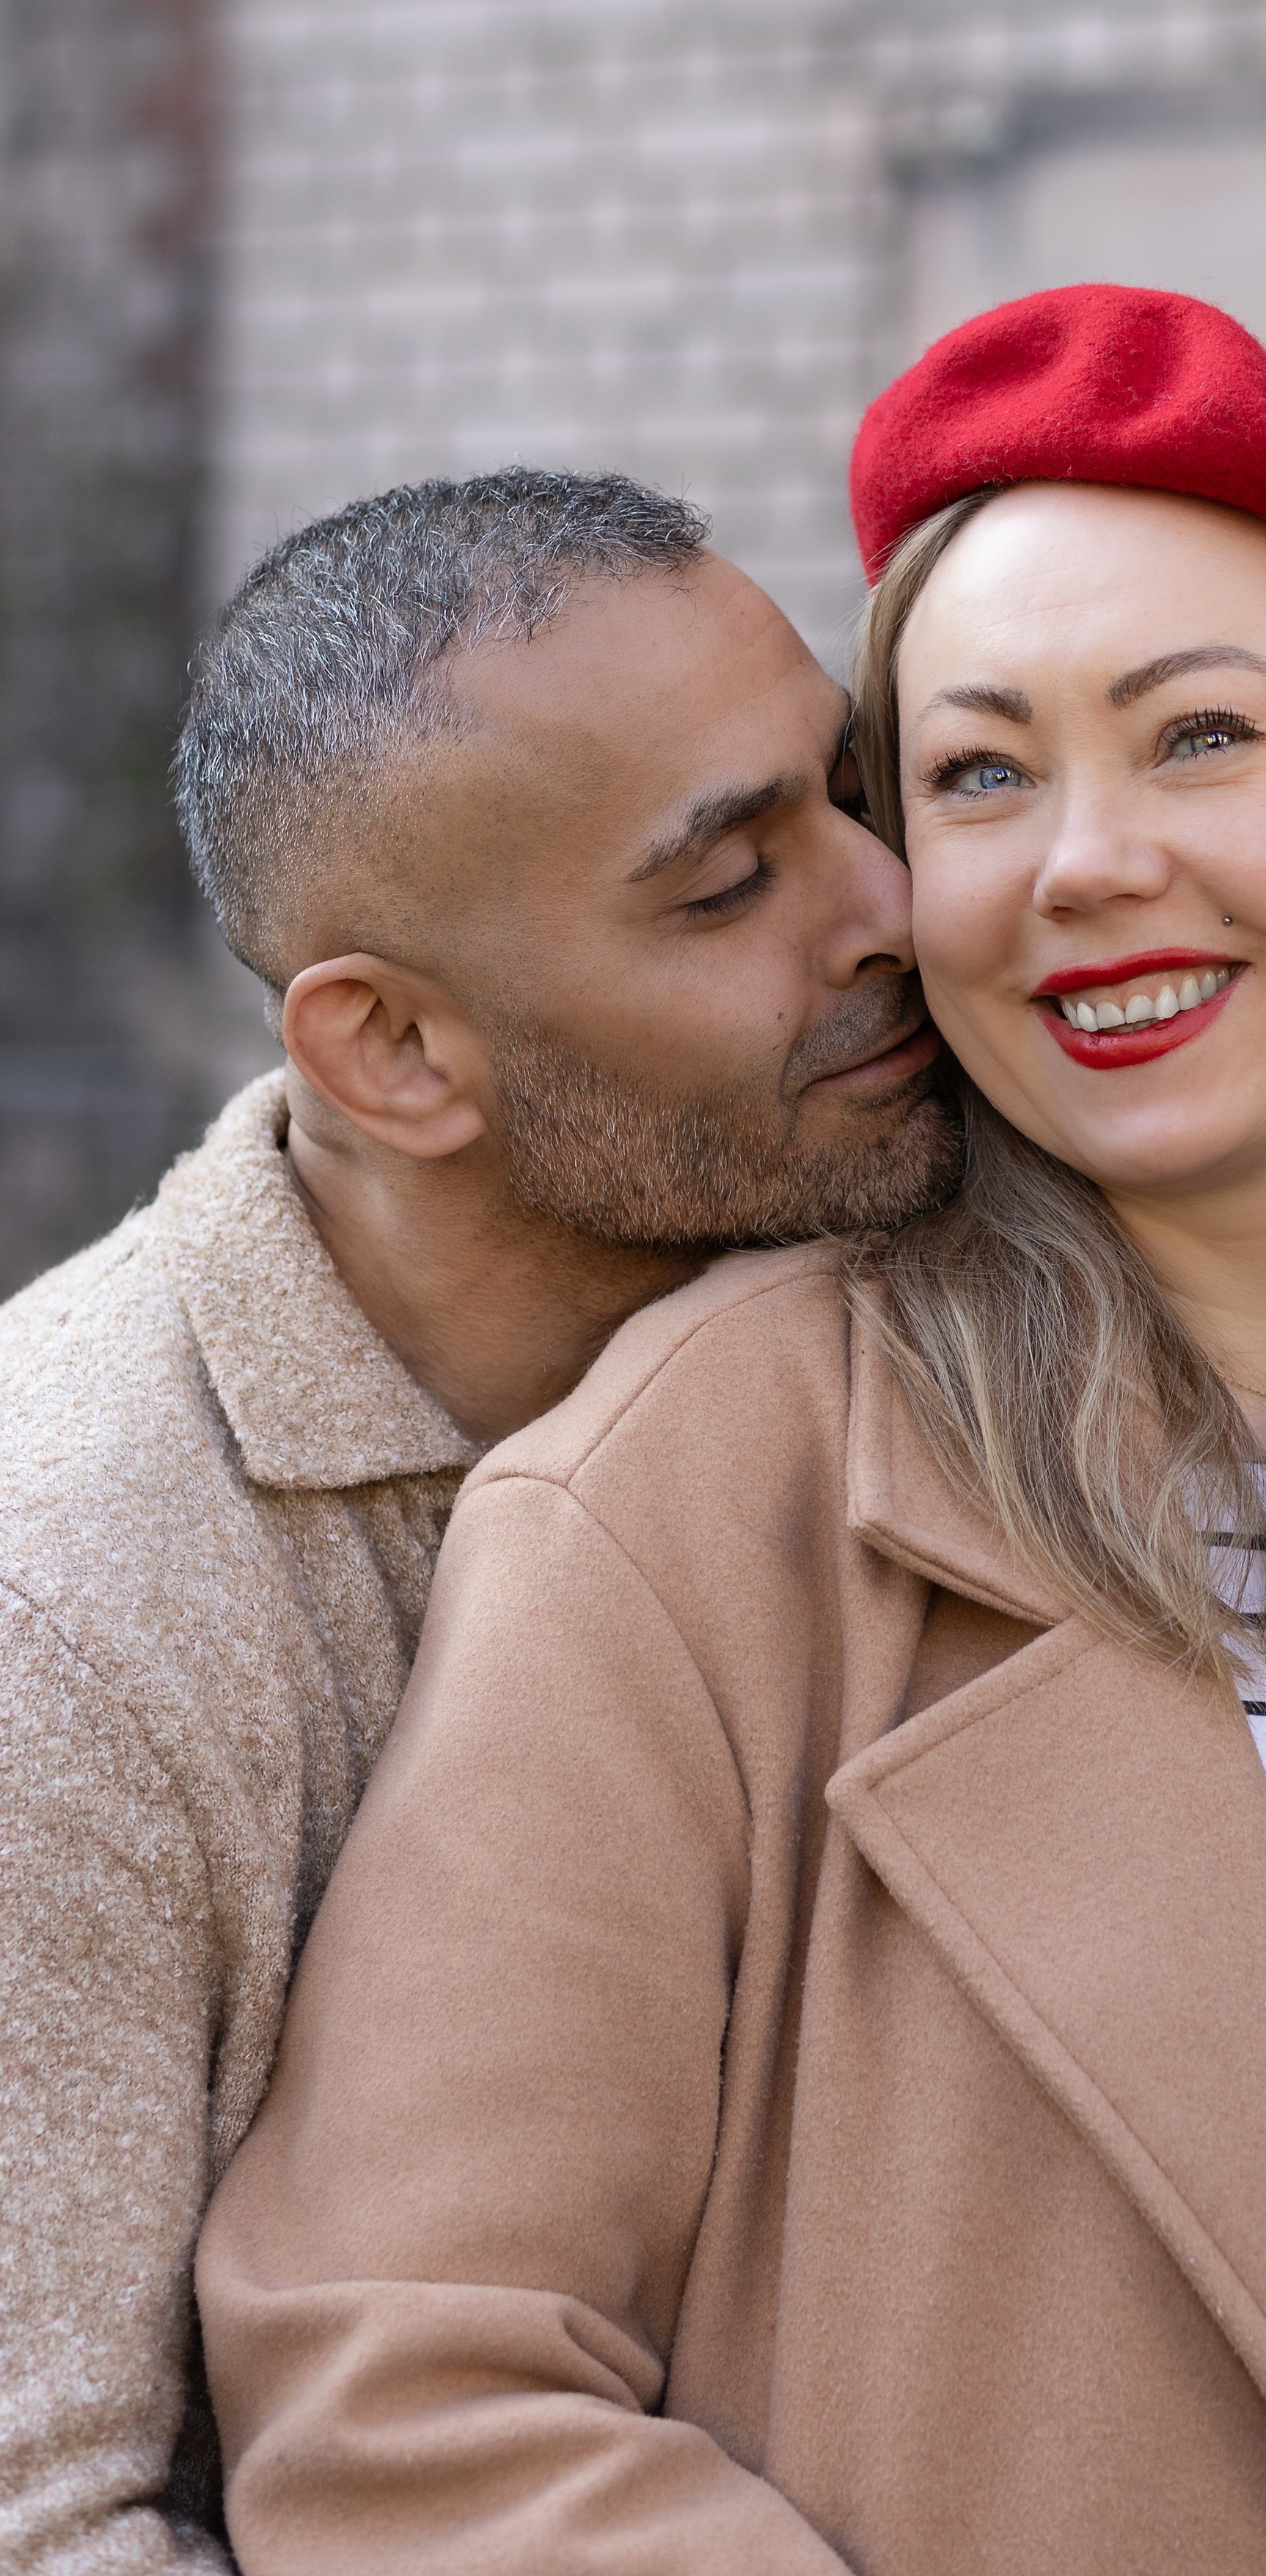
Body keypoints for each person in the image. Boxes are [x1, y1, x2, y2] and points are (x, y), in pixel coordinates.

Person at [195, 294, 1266, 2576]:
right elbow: (409, 2391)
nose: (1081, 861)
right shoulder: (708, 1479)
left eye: (1197, 738)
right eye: (979, 773)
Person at [0, 465, 956, 2572]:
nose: (891, 905)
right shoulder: (60, 1612)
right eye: (727, 891)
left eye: (855, 792)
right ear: (397, 1050)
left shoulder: (931, 1309)